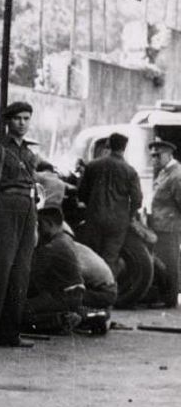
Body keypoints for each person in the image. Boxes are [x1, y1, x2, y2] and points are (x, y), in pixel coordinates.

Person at [0, 101, 52, 351]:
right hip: (4, 210)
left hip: (27, 212)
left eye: (26, 118)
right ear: (8, 121)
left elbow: (34, 191)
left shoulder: (30, 154)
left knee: (20, 275)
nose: (22, 123)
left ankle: (10, 333)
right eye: (17, 118)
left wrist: (36, 225)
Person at [77, 132, 142, 273]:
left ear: (108, 145)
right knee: (109, 258)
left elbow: (81, 193)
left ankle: (91, 291)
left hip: (94, 218)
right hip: (118, 222)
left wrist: (91, 205)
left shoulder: (93, 165)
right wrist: (128, 215)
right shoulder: (130, 171)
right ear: (124, 148)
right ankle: (107, 290)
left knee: (91, 257)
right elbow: (137, 200)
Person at [23, 207, 85, 330]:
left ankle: (61, 319)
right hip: (71, 295)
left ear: (49, 224)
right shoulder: (65, 239)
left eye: (40, 225)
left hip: (63, 296)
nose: (39, 229)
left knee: (17, 311)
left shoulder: (53, 247)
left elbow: (31, 273)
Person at [148, 139, 181, 308]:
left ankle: (169, 299)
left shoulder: (176, 174)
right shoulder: (164, 172)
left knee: (170, 264)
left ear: (168, 154)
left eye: (157, 155)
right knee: (163, 263)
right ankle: (165, 296)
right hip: (161, 226)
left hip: (169, 227)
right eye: (152, 155)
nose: (154, 159)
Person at [71, 239, 118, 310]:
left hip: (104, 293)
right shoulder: (74, 246)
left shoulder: (67, 250)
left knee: (65, 296)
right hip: (106, 289)